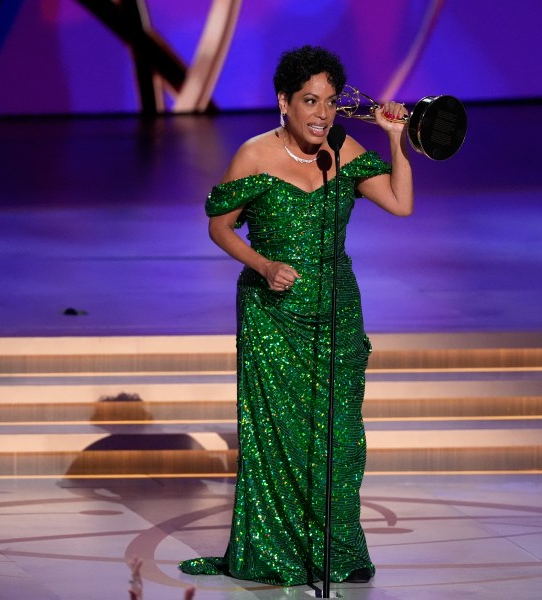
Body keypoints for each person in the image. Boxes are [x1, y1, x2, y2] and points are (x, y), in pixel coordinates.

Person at [179, 45, 413, 587]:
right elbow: (219, 225)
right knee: (281, 436)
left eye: (330, 102)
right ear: (284, 101)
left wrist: (395, 138)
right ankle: (278, 553)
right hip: (273, 314)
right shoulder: (254, 155)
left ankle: (334, 551)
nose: (322, 114)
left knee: (340, 437)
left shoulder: (343, 149)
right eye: (310, 101)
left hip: (335, 310)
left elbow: (401, 203)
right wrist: (262, 265)